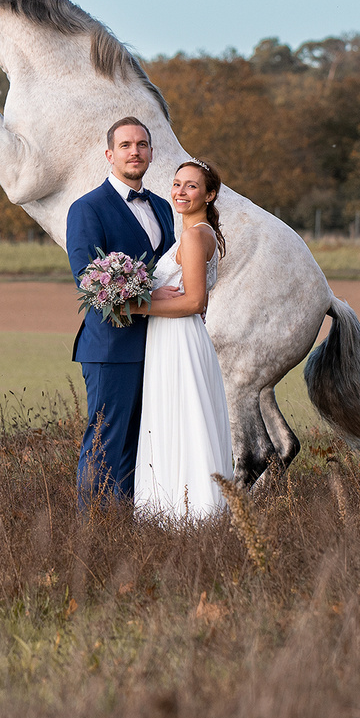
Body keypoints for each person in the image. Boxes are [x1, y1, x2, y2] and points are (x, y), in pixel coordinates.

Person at [66, 118, 175, 504]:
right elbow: (87, 279)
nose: (135, 151)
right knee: (105, 440)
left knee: (142, 443)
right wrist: (161, 303)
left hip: (160, 344)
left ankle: (126, 529)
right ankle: (92, 528)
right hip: (111, 348)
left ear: (150, 152)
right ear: (110, 154)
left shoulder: (163, 207)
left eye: (142, 144)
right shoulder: (87, 208)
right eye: (126, 145)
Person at [133, 159, 233, 520]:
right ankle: (173, 508)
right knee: (172, 416)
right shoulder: (192, 233)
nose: (180, 192)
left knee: (183, 417)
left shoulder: (194, 236)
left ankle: (193, 513)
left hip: (179, 338)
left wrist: (136, 307)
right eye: (177, 184)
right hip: (171, 336)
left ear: (210, 194)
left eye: (191, 186)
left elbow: (194, 301)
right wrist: (155, 297)